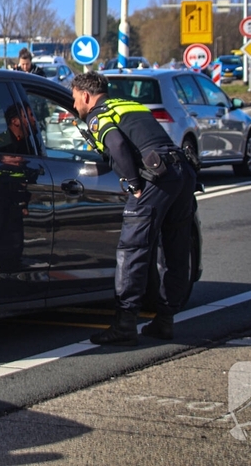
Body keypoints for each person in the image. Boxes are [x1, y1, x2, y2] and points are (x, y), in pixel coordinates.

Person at [71, 71, 197, 345]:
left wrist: (133, 183)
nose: (74, 105)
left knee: (132, 249)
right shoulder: (130, 105)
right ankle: (165, 320)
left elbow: (116, 144)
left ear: (86, 96)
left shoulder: (98, 115)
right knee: (176, 250)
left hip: (156, 178)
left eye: (75, 98)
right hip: (181, 171)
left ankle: (125, 324)